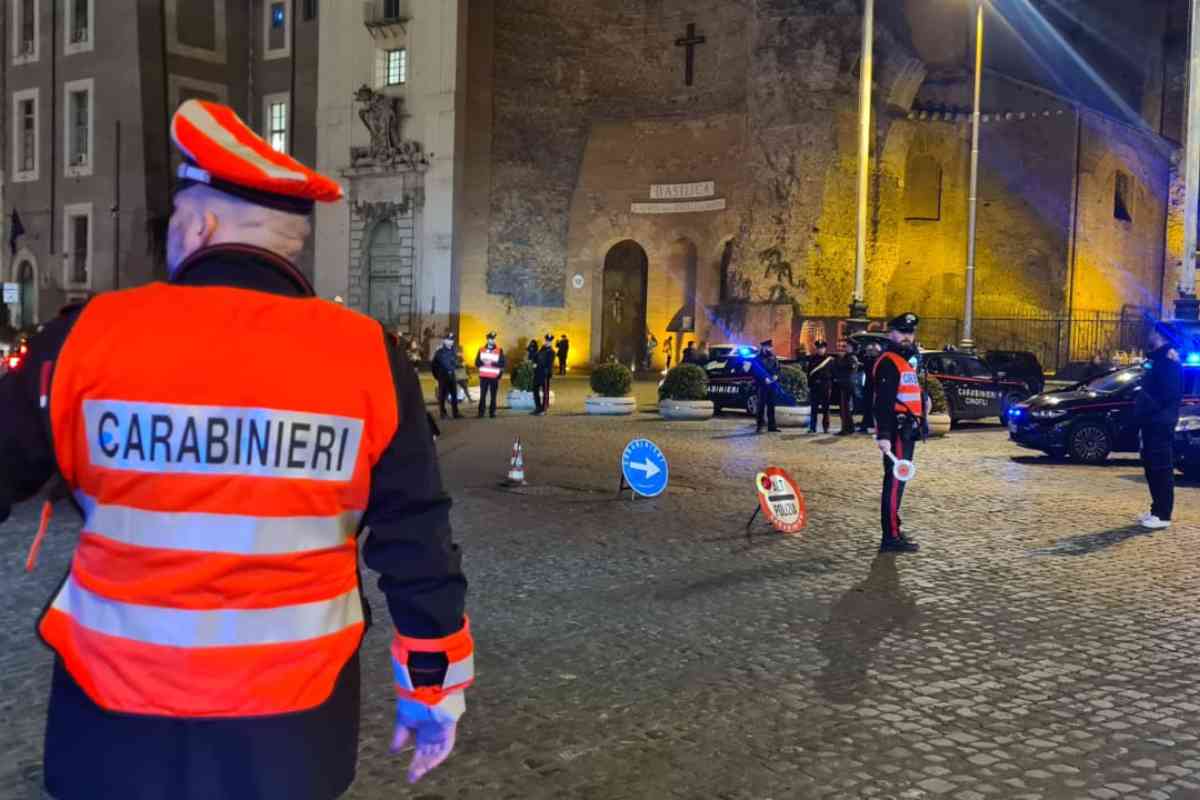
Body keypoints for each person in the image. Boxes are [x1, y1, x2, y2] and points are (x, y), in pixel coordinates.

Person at [0, 99, 471, 800]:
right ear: (292, 247)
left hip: (110, 723)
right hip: (293, 728)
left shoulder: (86, 338)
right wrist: (432, 690)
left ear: (201, 225)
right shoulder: (368, 358)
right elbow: (417, 540)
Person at [874, 313, 928, 554]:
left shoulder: (904, 360)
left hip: (907, 430)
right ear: (890, 333)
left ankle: (894, 528)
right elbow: (883, 402)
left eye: (910, 332)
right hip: (896, 431)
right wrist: (883, 434)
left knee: (899, 483)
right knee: (894, 484)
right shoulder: (889, 361)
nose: (907, 337)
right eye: (902, 332)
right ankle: (891, 537)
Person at [1135, 322, 1183, 530]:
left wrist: (1149, 409)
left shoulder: (1167, 360)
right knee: (1151, 467)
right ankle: (1156, 509)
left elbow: (1167, 394)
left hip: (1160, 422)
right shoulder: (1157, 359)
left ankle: (1163, 514)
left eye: (1153, 331)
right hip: (1152, 421)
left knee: (1161, 468)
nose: (1149, 334)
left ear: (1160, 335)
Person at [743, 338, 781, 434]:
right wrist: (764, 379)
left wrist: (776, 376)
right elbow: (755, 372)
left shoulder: (773, 357)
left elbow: (777, 369)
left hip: (772, 385)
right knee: (761, 406)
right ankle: (760, 426)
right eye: (768, 347)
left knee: (771, 406)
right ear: (763, 347)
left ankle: (772, 426)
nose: (770, 349)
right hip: (762, 386)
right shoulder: (757, 359)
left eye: (770, 347)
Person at [833, 339, 861, 436]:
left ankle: (846, 428)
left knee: (845, 408)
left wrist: (839, 360)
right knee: (844, 408)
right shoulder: (848, 357)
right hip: (844, 384)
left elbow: (848, 369)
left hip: (847, 385)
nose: (846, 348)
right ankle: (849, 427)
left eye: (848, 346)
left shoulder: (851, 357)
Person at [475, 331, 506, 418]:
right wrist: (483, 362)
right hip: (483, 377)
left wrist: (492, 363)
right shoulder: (481, 349)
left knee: (493, 396)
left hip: (494, 377)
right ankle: (481, 413)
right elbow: (476, 363)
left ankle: (492, 413)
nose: (492, 340)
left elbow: (502, 364)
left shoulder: (499, 350)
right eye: (490, 339)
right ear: (487, 339)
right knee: (482, 395)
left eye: (493, 339)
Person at [806, 340, 834, 433]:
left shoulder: (830, 360)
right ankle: (812, 427)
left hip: (825, 386)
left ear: (825, 349)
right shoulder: (812, 359)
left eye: (822, 348)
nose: (820, 350)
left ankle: (826, 427)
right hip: (815, 386)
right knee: (814, 408)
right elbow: (809, 373)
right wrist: (810, 385)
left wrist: (831, 386)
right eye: (818, 348)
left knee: (826, 408)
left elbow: (833, 374)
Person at [432, 332, 462, 419]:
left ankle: (455, 413)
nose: (451, 342)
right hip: (443, 376)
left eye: (452, 340)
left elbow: (455, 362)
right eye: (448, 340)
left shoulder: (453, 350)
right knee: (442, 396)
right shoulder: (440, 351)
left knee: (454, 395)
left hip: (452, 375)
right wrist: (437, 376)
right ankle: (443, 413)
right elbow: (436, 365)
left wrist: (456, 365)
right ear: (444, 341)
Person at [858, 342, 881, 433]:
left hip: (875, 386)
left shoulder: (878, 360)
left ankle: (872, 424)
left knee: (874, 407)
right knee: (867, 406)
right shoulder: (868, 359)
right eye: (869, 350)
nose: (870, 352)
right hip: (868, 385)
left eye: (871, 350)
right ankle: (866, 424)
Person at [532, 333, 556, 415]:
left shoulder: (552, 352)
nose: (548, 342)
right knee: (535, 390)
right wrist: (534, 363)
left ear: (551, 342)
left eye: (549, 341)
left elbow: (549, 363)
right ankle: (537, 407)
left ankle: (543, 409)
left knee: (545, 392)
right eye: (547, 340)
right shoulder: (541, 349)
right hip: (537, 373)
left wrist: (539, 365)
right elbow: (535, 357)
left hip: (545, 374)